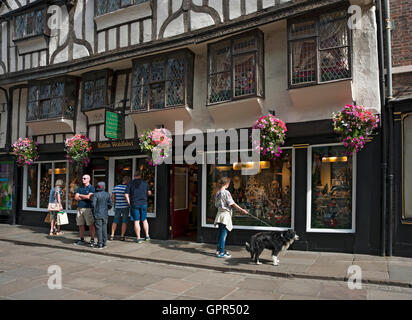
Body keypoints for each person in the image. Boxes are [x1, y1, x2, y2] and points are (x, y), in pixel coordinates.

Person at [214, 177, 248, 258]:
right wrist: (242, 210)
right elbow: (232, 203)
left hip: (219, 214)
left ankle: (219, 250)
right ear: (227, 184)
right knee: (223, 234)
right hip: (225, 215)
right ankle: (222, 252)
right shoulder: (226, 192)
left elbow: (216, 205)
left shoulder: (218, 193)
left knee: (220, 233)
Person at [125, 170, 152, 243]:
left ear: (134, 176)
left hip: (134, 204)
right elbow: (149, 193)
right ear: (140, 176)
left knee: (136, 221)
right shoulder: (145, 183)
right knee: (144, 220)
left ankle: (139, 238)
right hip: (143, 203)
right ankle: (147, 236)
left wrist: (129, 202)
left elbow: (126, 194)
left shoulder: (130, 183)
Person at [74, 174, 96, 247]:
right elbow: (76, 197)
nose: (83, 179)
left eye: (84, 178)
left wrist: (80, 195)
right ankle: (82, 239)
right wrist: (84, 196)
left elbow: (89, 197)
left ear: (88, 179)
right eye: (82, 178)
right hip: (80, 208)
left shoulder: (91, 188)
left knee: (90, 224)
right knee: (80, 224)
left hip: (88, 208)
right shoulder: (80, 188)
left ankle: (92, 239)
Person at [110, 176, 131, 241]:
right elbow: (128, 197)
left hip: (117, 207)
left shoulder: (116, 187)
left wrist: (115, 203)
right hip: (125, 207)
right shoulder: (127, 188)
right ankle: (122, 236)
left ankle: (112, 235)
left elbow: (113, 197)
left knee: (115, 221)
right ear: (127, 181)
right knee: (124, 221)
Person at [92, 182, 112, 249]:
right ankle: (104, 243)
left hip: (97, 214)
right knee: (104, 228)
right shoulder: (107, 194)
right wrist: (106, 208)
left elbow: (93, 205)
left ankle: (99, 244)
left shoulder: (95, 195)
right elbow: (110, 205)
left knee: (99, 229)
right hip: (105, 214)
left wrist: (94, 212)